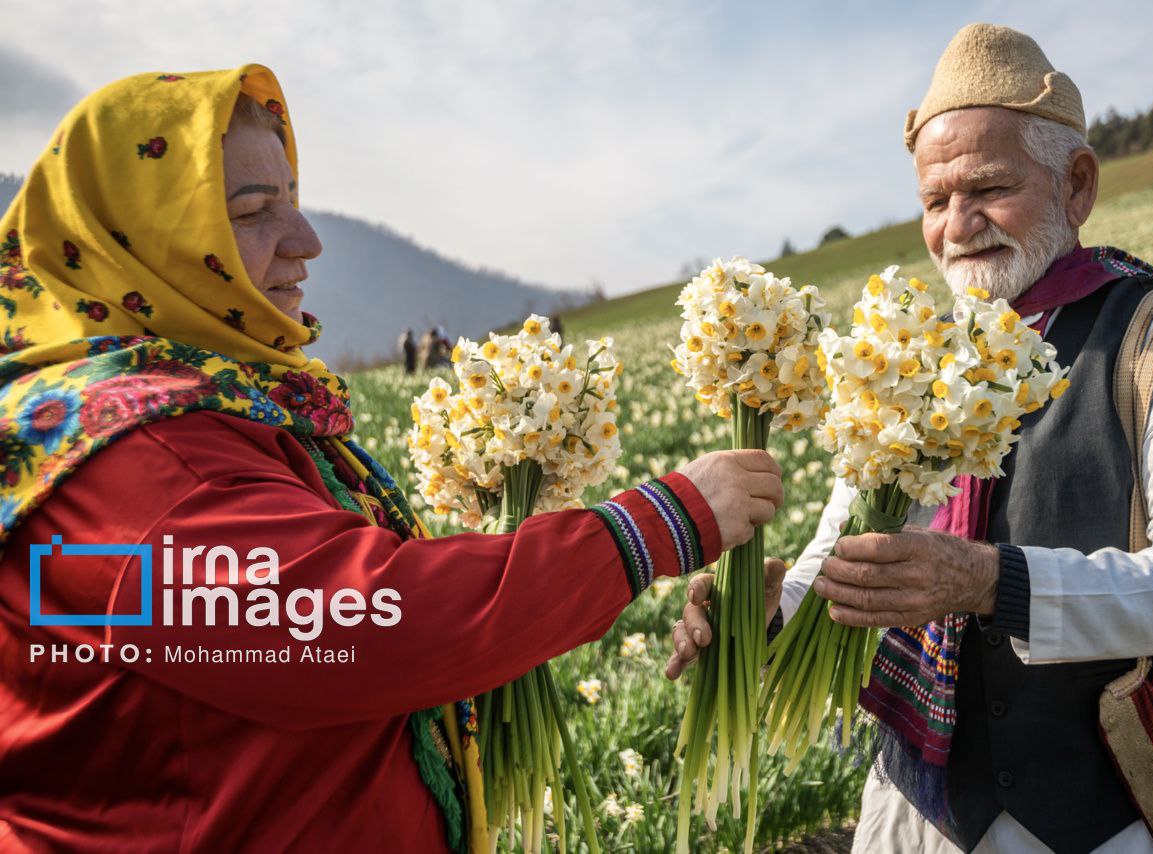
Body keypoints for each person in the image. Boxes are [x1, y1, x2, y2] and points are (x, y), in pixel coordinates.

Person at [0, 65, 786, 851]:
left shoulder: (213, 404)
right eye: (253, 211)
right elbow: (360, 624)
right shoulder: (131, 462)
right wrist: (655, 526)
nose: (305, 243)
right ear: (139, 238)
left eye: (292, 200)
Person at [666, 24, 1153, 854]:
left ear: (1077, 186)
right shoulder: (907, 357)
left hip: (1106, 820)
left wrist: (992, 580)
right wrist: (775, 606)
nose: (958, 225)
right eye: (934, 202)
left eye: (987, 187)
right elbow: (844, 554)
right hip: (916, 814)